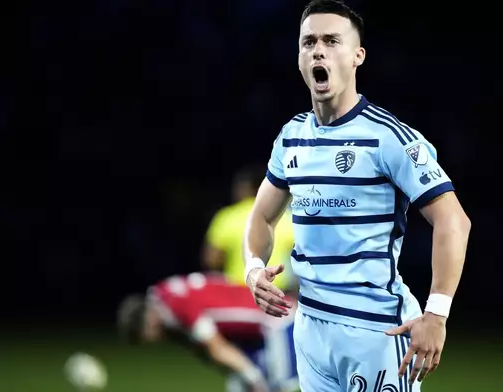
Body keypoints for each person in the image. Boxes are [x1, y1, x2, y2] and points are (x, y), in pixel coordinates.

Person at [242, 1, 472, 391]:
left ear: (357, 56)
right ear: (299, 56)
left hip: (375, 331)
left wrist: (437, 314)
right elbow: (262, 217)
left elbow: (453, 220)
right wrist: (252, 269)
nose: (318, 50)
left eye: (332, 41)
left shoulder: (388, 137)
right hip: (310, 328)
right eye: (309, 41)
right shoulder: (291, 137)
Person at [117, 272, 299, 392]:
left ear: (147, 322)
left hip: (276, 320)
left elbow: (216, 347)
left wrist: (253, 376)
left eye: (146, 338)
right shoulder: (162, 294)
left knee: (277, 386)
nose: (153, 341)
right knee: (238, 385)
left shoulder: (176, 306)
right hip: (258, 332)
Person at [203, 165, 295, 291]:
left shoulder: (227, 217)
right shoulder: (286, 217)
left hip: (238, 292)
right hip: (278, 293)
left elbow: (212, 259)